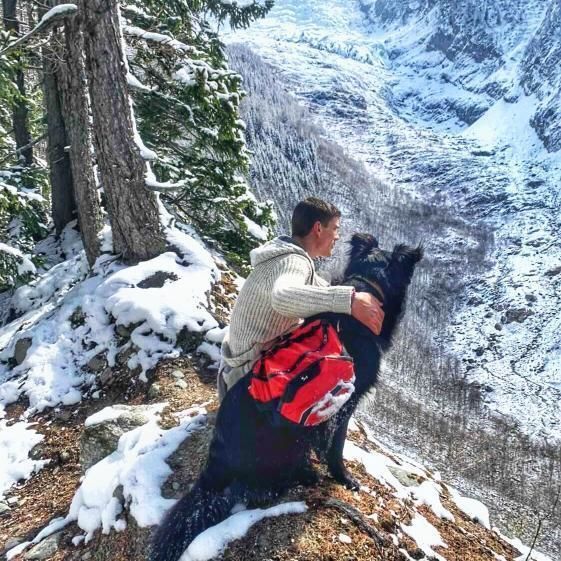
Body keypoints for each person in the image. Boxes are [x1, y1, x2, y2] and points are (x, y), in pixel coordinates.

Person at [218, 197, 384, 399]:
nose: (338, 236)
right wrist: (349, 300)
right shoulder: (294, 262)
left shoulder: (286, 256)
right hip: (245, 378)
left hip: (235, 367)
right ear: (318, 229)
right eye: (335, 228)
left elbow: (317, 289)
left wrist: (355, 295)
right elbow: (283, 297)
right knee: (332, 372)